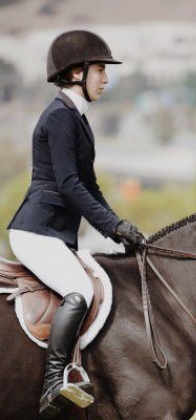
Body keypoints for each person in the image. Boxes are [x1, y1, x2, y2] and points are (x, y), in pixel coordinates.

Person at [7, 30, 143, 418]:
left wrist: (119, 227)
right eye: (100, 69)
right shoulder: (61, 117)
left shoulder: (77, 120)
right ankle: (54, 382)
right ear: (75, 72)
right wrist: (113, 228)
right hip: (36, 231)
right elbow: (68, 186)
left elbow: (90, 187)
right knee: (79, 288)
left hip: (55, 232)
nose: (105, 78)